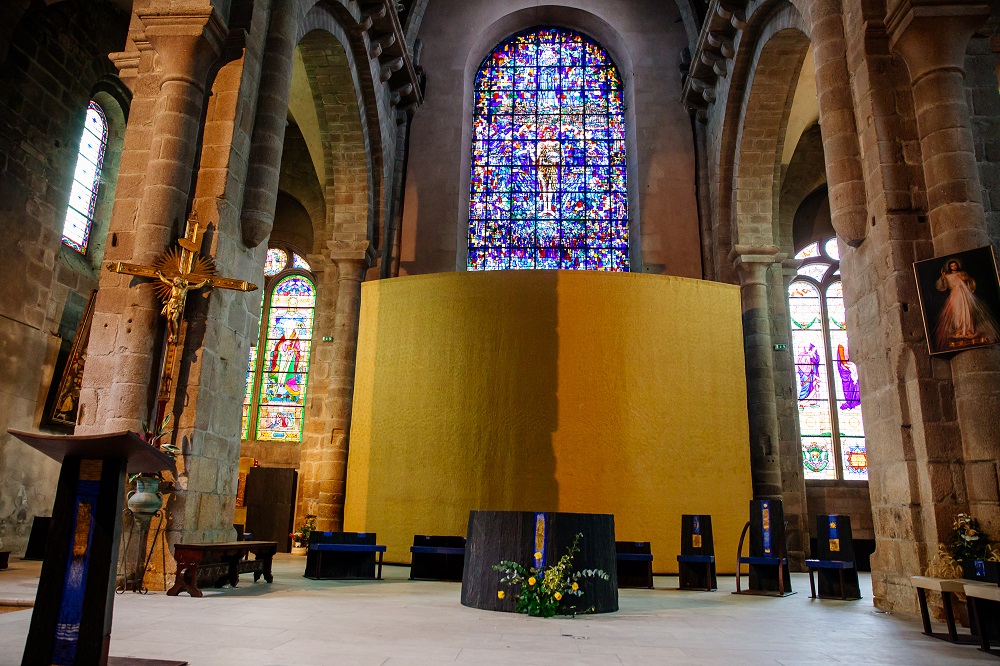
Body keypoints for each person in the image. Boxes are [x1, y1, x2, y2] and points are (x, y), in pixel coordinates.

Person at [934, 258, 1000, 350]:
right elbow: (942, 286)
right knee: (957, 313)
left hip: (965, 295)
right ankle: (959, 330)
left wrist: (967, 279)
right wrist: (943, 276)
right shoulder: (948, 276)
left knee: (967, 311)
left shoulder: (963, 273)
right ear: (949, 267)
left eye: (955, 265)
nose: (954, 267)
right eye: (952, 265)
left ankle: (969, 330)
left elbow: (971, 283)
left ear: (958, 265)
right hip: (955, 296)